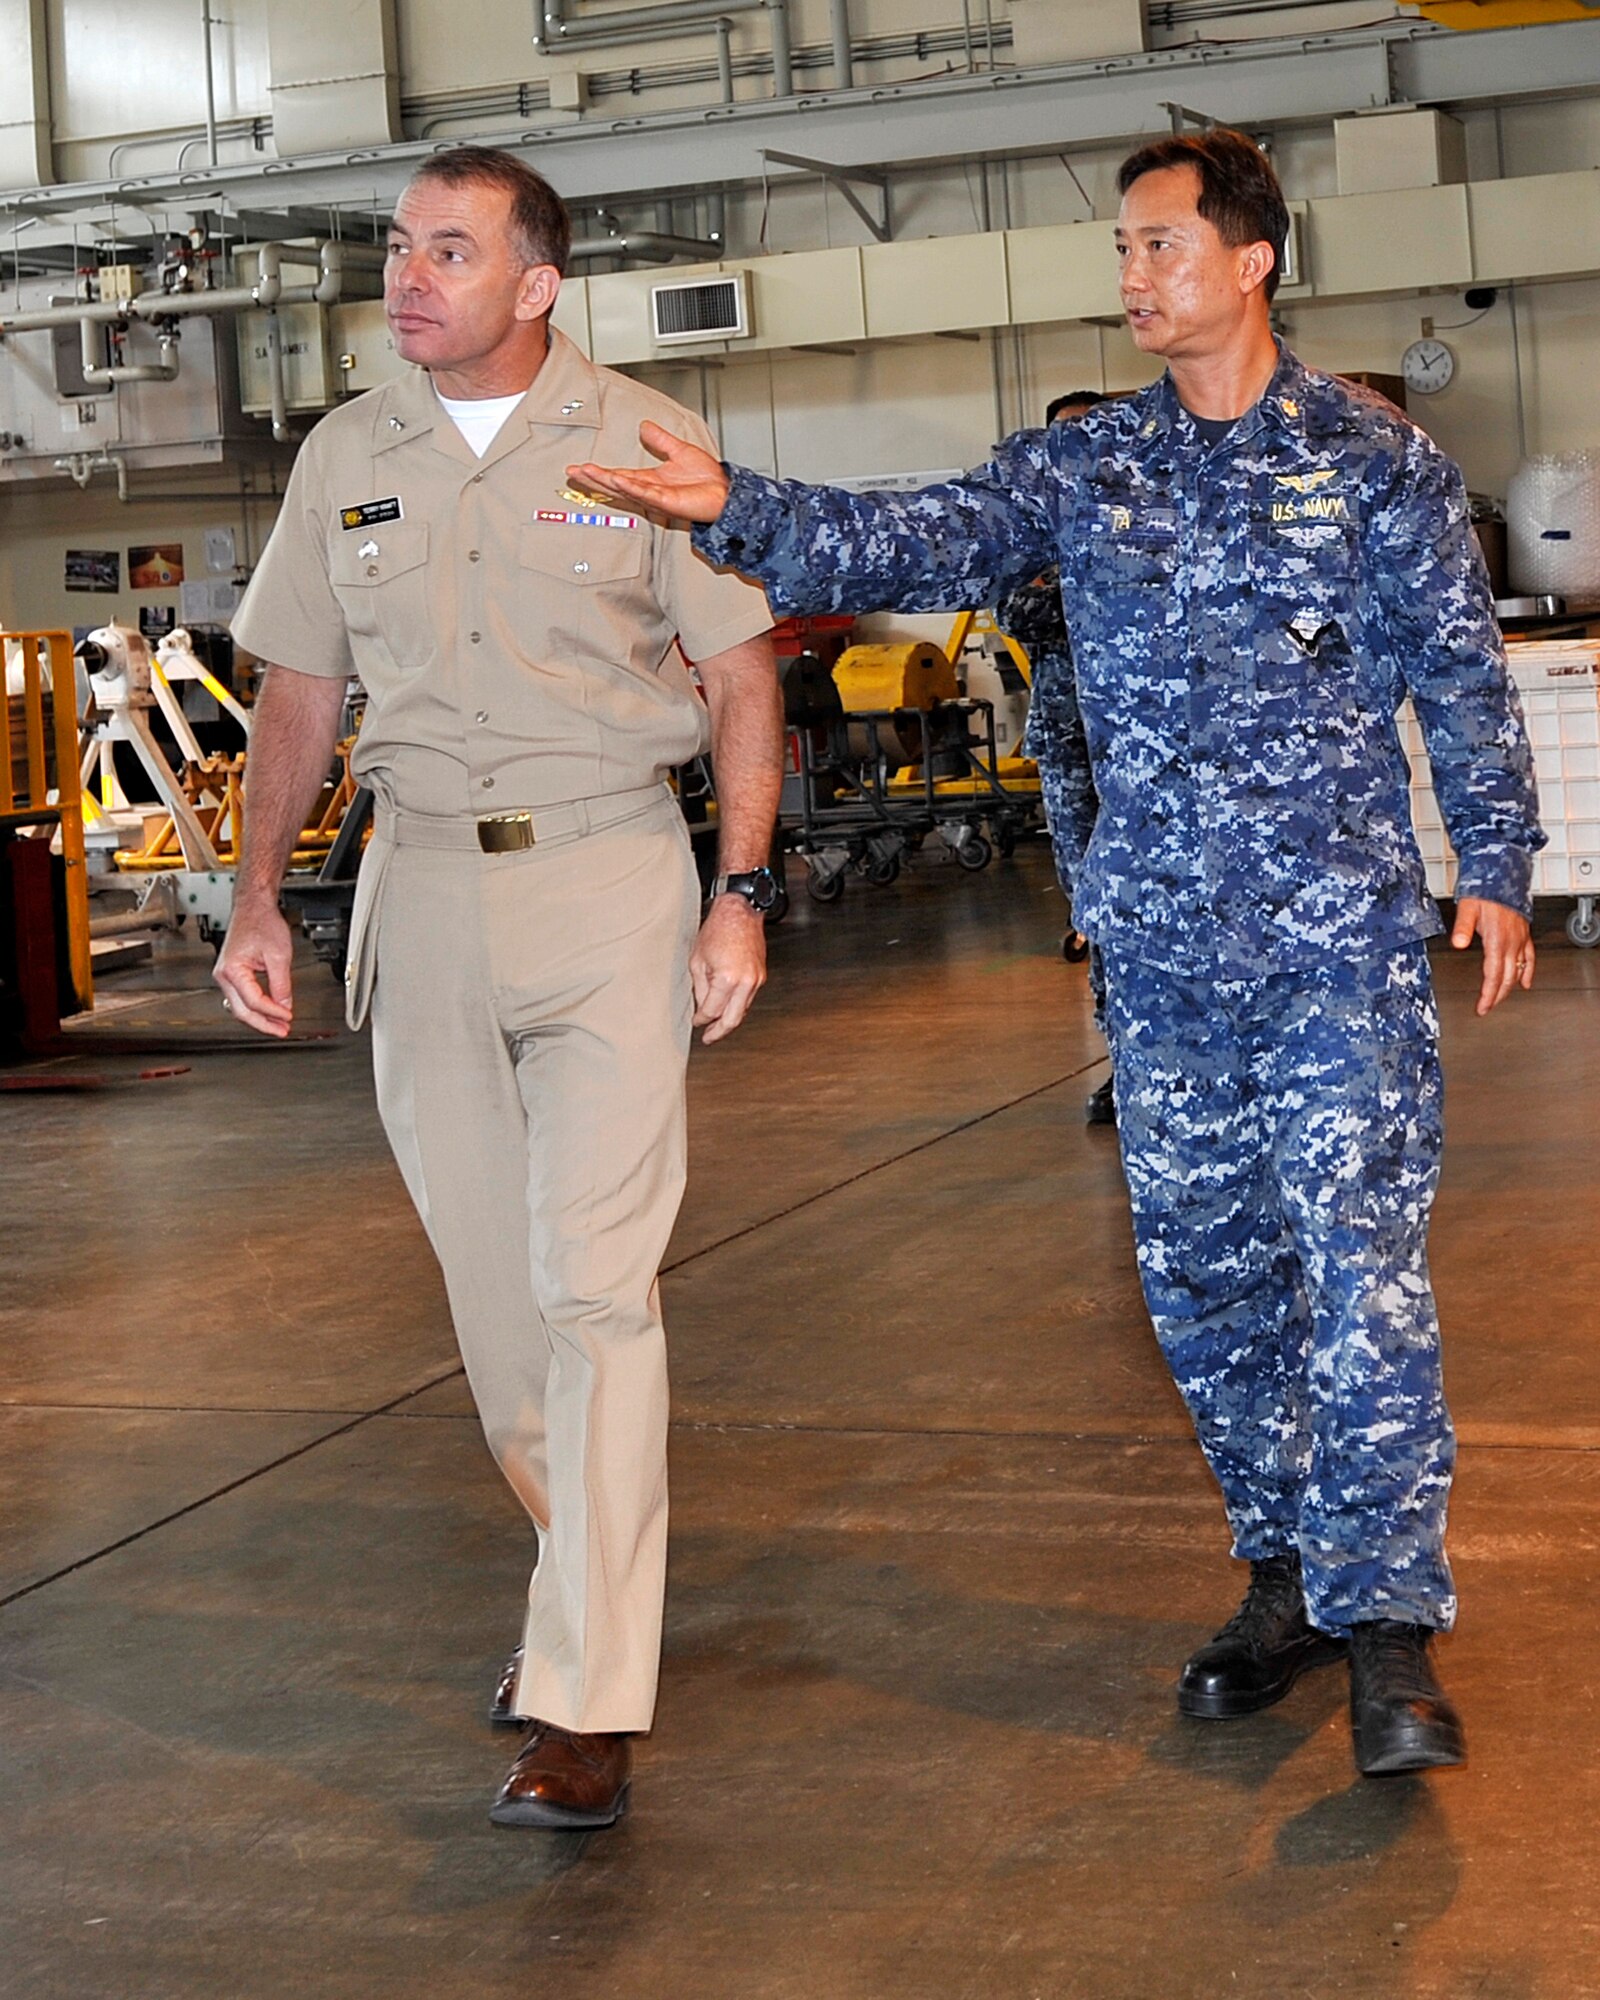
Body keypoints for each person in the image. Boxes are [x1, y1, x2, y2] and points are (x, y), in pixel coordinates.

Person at [569, 128, 1545, 1779]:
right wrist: (740, 506)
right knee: (1207, 1276)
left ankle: (1389, 1625)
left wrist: (1500, 863)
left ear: (1252, 259)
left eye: (1163, 245)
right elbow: (910, 535)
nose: (1135, 277)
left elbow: (1459, 672)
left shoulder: (1373, 461)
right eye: (1124, 252)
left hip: (1338, 956)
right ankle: (1285, 1577)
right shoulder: (1087, 468)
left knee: (1358, 1268)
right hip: (1160, 964)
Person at [215, 146, 780, 1832]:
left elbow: (742, 676)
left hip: (609, 875)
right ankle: (578, 1587)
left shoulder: (644, 441)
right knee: (500, 1314)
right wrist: (257, 897)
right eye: (401, 246)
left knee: (596, 1292)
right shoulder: (346, 453)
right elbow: (300, 692)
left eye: (449, 251)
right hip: (423, 892)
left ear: (536, 284)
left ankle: (586, 1697)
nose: (408, 275)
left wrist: (742, 895)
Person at [993, 389, 1117, 1125]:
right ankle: (1123, 1065)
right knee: (1093, 911)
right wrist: (1092, 578)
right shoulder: (1036, 526)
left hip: (1143, 751)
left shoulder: (1147, 514)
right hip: (1070, 745)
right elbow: (1019, 611)